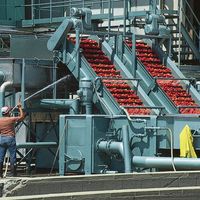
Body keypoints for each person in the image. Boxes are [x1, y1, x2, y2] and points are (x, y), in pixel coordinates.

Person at [0, 102, 25, 177]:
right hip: (10, 139)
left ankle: (0, 174)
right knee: (12, 156)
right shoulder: (11, 119)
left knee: (1, 157)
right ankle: (13, 173)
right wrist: (20, 107)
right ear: (7, 113)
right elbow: (22, 117)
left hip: (2, 139)